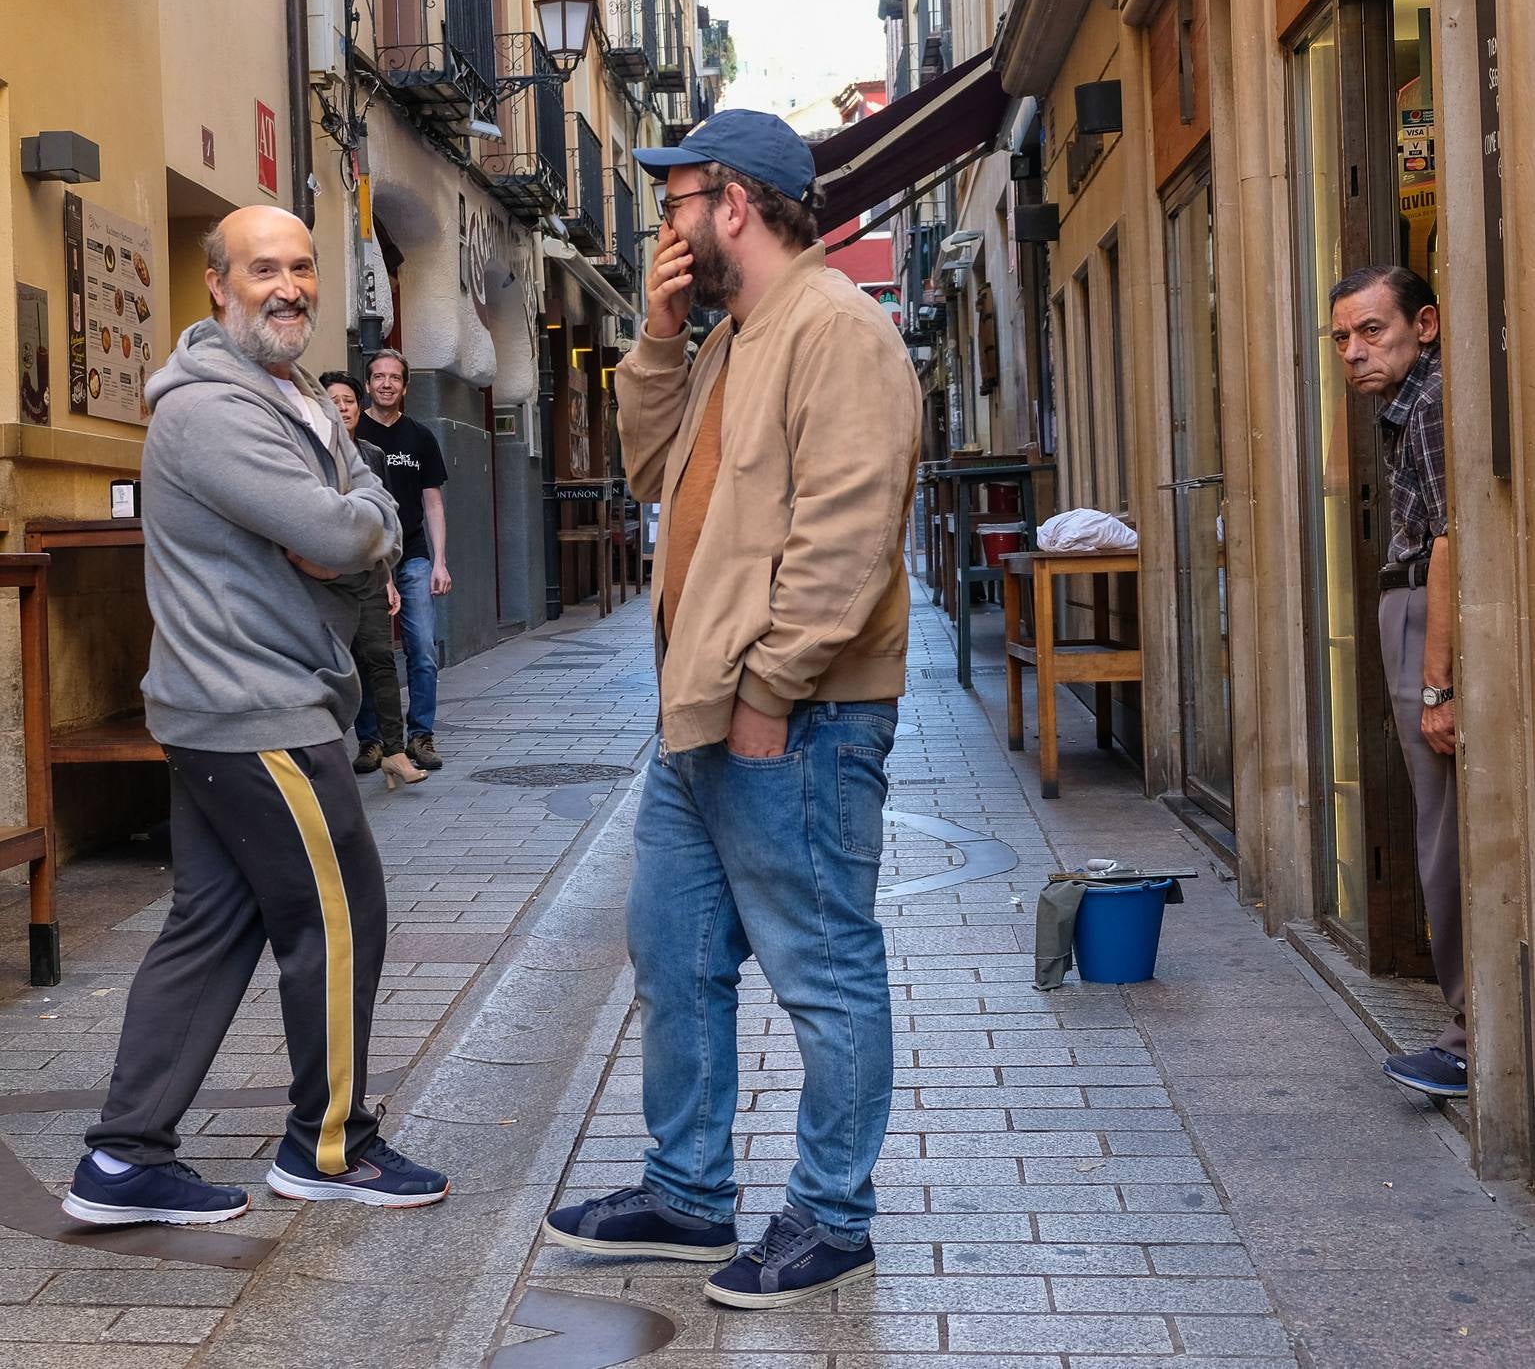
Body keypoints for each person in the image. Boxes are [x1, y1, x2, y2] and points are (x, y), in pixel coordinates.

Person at [541, 109, 921, 1308]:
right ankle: (687, 1191)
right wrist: (655, 336)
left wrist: (768, 687)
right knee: (672, 950)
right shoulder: (726, 337)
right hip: (696, 714)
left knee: (822, 968)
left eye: (676, 202)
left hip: (792, 720)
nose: (663, 224)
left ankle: (830, 1214)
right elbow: (653, 470)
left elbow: (846, 538)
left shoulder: (834, 330)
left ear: (734, 205)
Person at [64, 205, 449, 1227]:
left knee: (211, 924)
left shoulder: (286, 393)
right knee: (338, 916)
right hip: (255, 707)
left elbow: (361, 505)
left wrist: (352, 516)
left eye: (302, 266)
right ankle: (331, 1145)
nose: (289, 286)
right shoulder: (209, 411)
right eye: (262, 268)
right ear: (216, 286)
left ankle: (122, 1160)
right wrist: (352, 518)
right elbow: (333, 525)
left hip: (237, 703)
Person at [1330, 263, 1465, 1099]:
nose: (1353, 351)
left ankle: (1467, 1034)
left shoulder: (1433, 406)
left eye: (1371, 330)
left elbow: (1450, 539)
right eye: (1341, 338)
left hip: (1427, 612)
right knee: (1437, 821)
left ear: (1426, 323)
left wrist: (1437, 685)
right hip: (1416, 610)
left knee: (1442, 826)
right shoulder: (1408, 407)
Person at [320, 370, 428, 792]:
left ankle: (394, 752)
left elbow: (388, 520)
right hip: (324, 579)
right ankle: (330, 755)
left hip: (367, 576)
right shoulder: (307, 455)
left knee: (381, 659)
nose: (343, 407)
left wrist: (387, 576)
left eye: (348, 400)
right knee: (330, 666)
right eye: (334, 400)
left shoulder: (372, 455)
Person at [353, 349, 450, 773]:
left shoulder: (420, 437)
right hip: (369, 560)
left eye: (395, 377)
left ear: (405, 386)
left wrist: (440, 561)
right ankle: (372, 741)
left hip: (411, 556)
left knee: (422, 649)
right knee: (370, 652)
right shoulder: (353, 433)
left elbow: (433, 503)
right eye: (379, 377)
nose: (387, 383)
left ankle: (420, 735)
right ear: (369, 384)